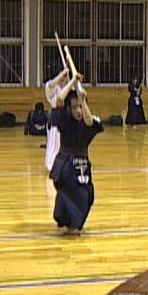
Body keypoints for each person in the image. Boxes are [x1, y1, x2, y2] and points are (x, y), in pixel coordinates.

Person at [50, 73, 104, 235]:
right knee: (71, 193)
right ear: (69, 109)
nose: (78, 110)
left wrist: (82, 99)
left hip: (82, 166)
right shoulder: (65, 120)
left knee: (88, 195)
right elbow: (59, 100)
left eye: (80, 107)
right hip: (66, 165)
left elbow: (89, 121)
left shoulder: (87, 120)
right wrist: (72, 82)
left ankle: (72, 223)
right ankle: (69, 223)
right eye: (74, 107)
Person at [44, 68, 70, 170]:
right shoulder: (52, 89)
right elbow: (50, 84)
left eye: (65, 78)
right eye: (62, 78)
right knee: (54, 144)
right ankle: (52, 165)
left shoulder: (68, 89)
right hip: (56, 118)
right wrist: (61, 74)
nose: (64, 79)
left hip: (67, 119)